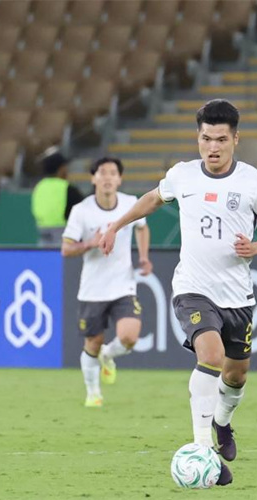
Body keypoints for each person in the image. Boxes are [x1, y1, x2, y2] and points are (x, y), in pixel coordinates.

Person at [98, 99, 257, 485]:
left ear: (235, 139)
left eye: (220, 140)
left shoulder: (254, 182)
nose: (212, 147)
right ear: (197, 138)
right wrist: (117, 225)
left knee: (236, 376)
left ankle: (222, 423)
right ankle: (203, 449)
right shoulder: (182, 175)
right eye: (205, 139)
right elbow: (153, 199)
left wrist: (255, 247)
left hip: (238, 296)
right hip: (192, 289)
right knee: (211, 355)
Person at [61, 157, 152, 407]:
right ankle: (93, 393)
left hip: (123, 285)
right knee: (93, 342)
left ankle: (108, 355)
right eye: (102, 172)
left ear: (120, 179)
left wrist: (144, 256)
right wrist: (91, 243)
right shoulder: (82, 210)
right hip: (93, 288)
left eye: (113, 173)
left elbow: (142, 227)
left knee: (129, 336)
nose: (108, 177)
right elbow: (66, 249)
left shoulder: (130, 203)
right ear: (93, 178)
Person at [31, 150, 83, 246]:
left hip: (42, 235)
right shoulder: (67, 188)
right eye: (65, 166)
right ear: (61, 169)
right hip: (64, 236)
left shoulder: (39, 187)